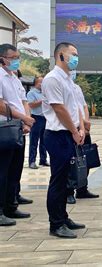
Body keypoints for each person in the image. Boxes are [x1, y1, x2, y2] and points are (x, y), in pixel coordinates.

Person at [42, 42, 86, 238]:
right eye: (73, 54)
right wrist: (74, 131)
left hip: (70, 132)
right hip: (58, 135)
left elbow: (75, 106)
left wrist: (81, 128)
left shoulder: (68, 79)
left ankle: (63, 216)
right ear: (61, 55)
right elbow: (59, 109)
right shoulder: (52, 79)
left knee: (67, 181)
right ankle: (56, 224)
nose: (76, 58)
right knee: (58, 181)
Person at [0, 44, 35, 226]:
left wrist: (26, 119)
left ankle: (10, 205)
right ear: (2, 58)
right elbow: (1, 105)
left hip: (18, 127)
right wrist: (23, 118)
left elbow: (23, 100)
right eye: (13, 57)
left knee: (15, 169)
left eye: (17, 57)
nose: (16, 61)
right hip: (4, 128)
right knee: (2, 171)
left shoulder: (14, 78)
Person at [66, 70, 99, 204]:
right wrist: (78, 127)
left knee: (85, 160)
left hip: (82, 128)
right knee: (71, 162)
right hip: (71, 128)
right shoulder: (61, 85)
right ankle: (68, 191)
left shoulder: (77, 87)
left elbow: (83, 106)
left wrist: (85, 123)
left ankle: (82, 188)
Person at [27, 76, 49, 169]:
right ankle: (32, 161)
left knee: (44, 140)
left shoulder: (44, 93)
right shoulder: (31, 93)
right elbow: (31, 104)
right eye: (41, 82)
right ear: (37, 83)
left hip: (45, 118)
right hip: (36, 118)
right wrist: (42, 101)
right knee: (34, 140)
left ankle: (43, 160)